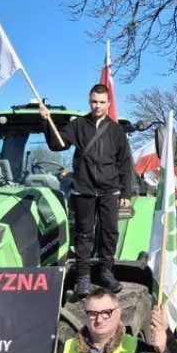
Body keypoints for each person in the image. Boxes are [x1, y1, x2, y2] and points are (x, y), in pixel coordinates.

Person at [41, 85, 134, 295]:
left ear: (108, 103)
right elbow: (57, 144)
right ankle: (83, 277)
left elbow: (124, 163)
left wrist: (126, 193)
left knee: (109, 232)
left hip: (110, 189)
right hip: (84, 188)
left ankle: (106, 272)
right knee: (83, 234)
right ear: (89, 101)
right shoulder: (78, 125)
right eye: (94, 101)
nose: (97, 106)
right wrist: (46, 121)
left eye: (101, 102)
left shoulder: (116, 130)